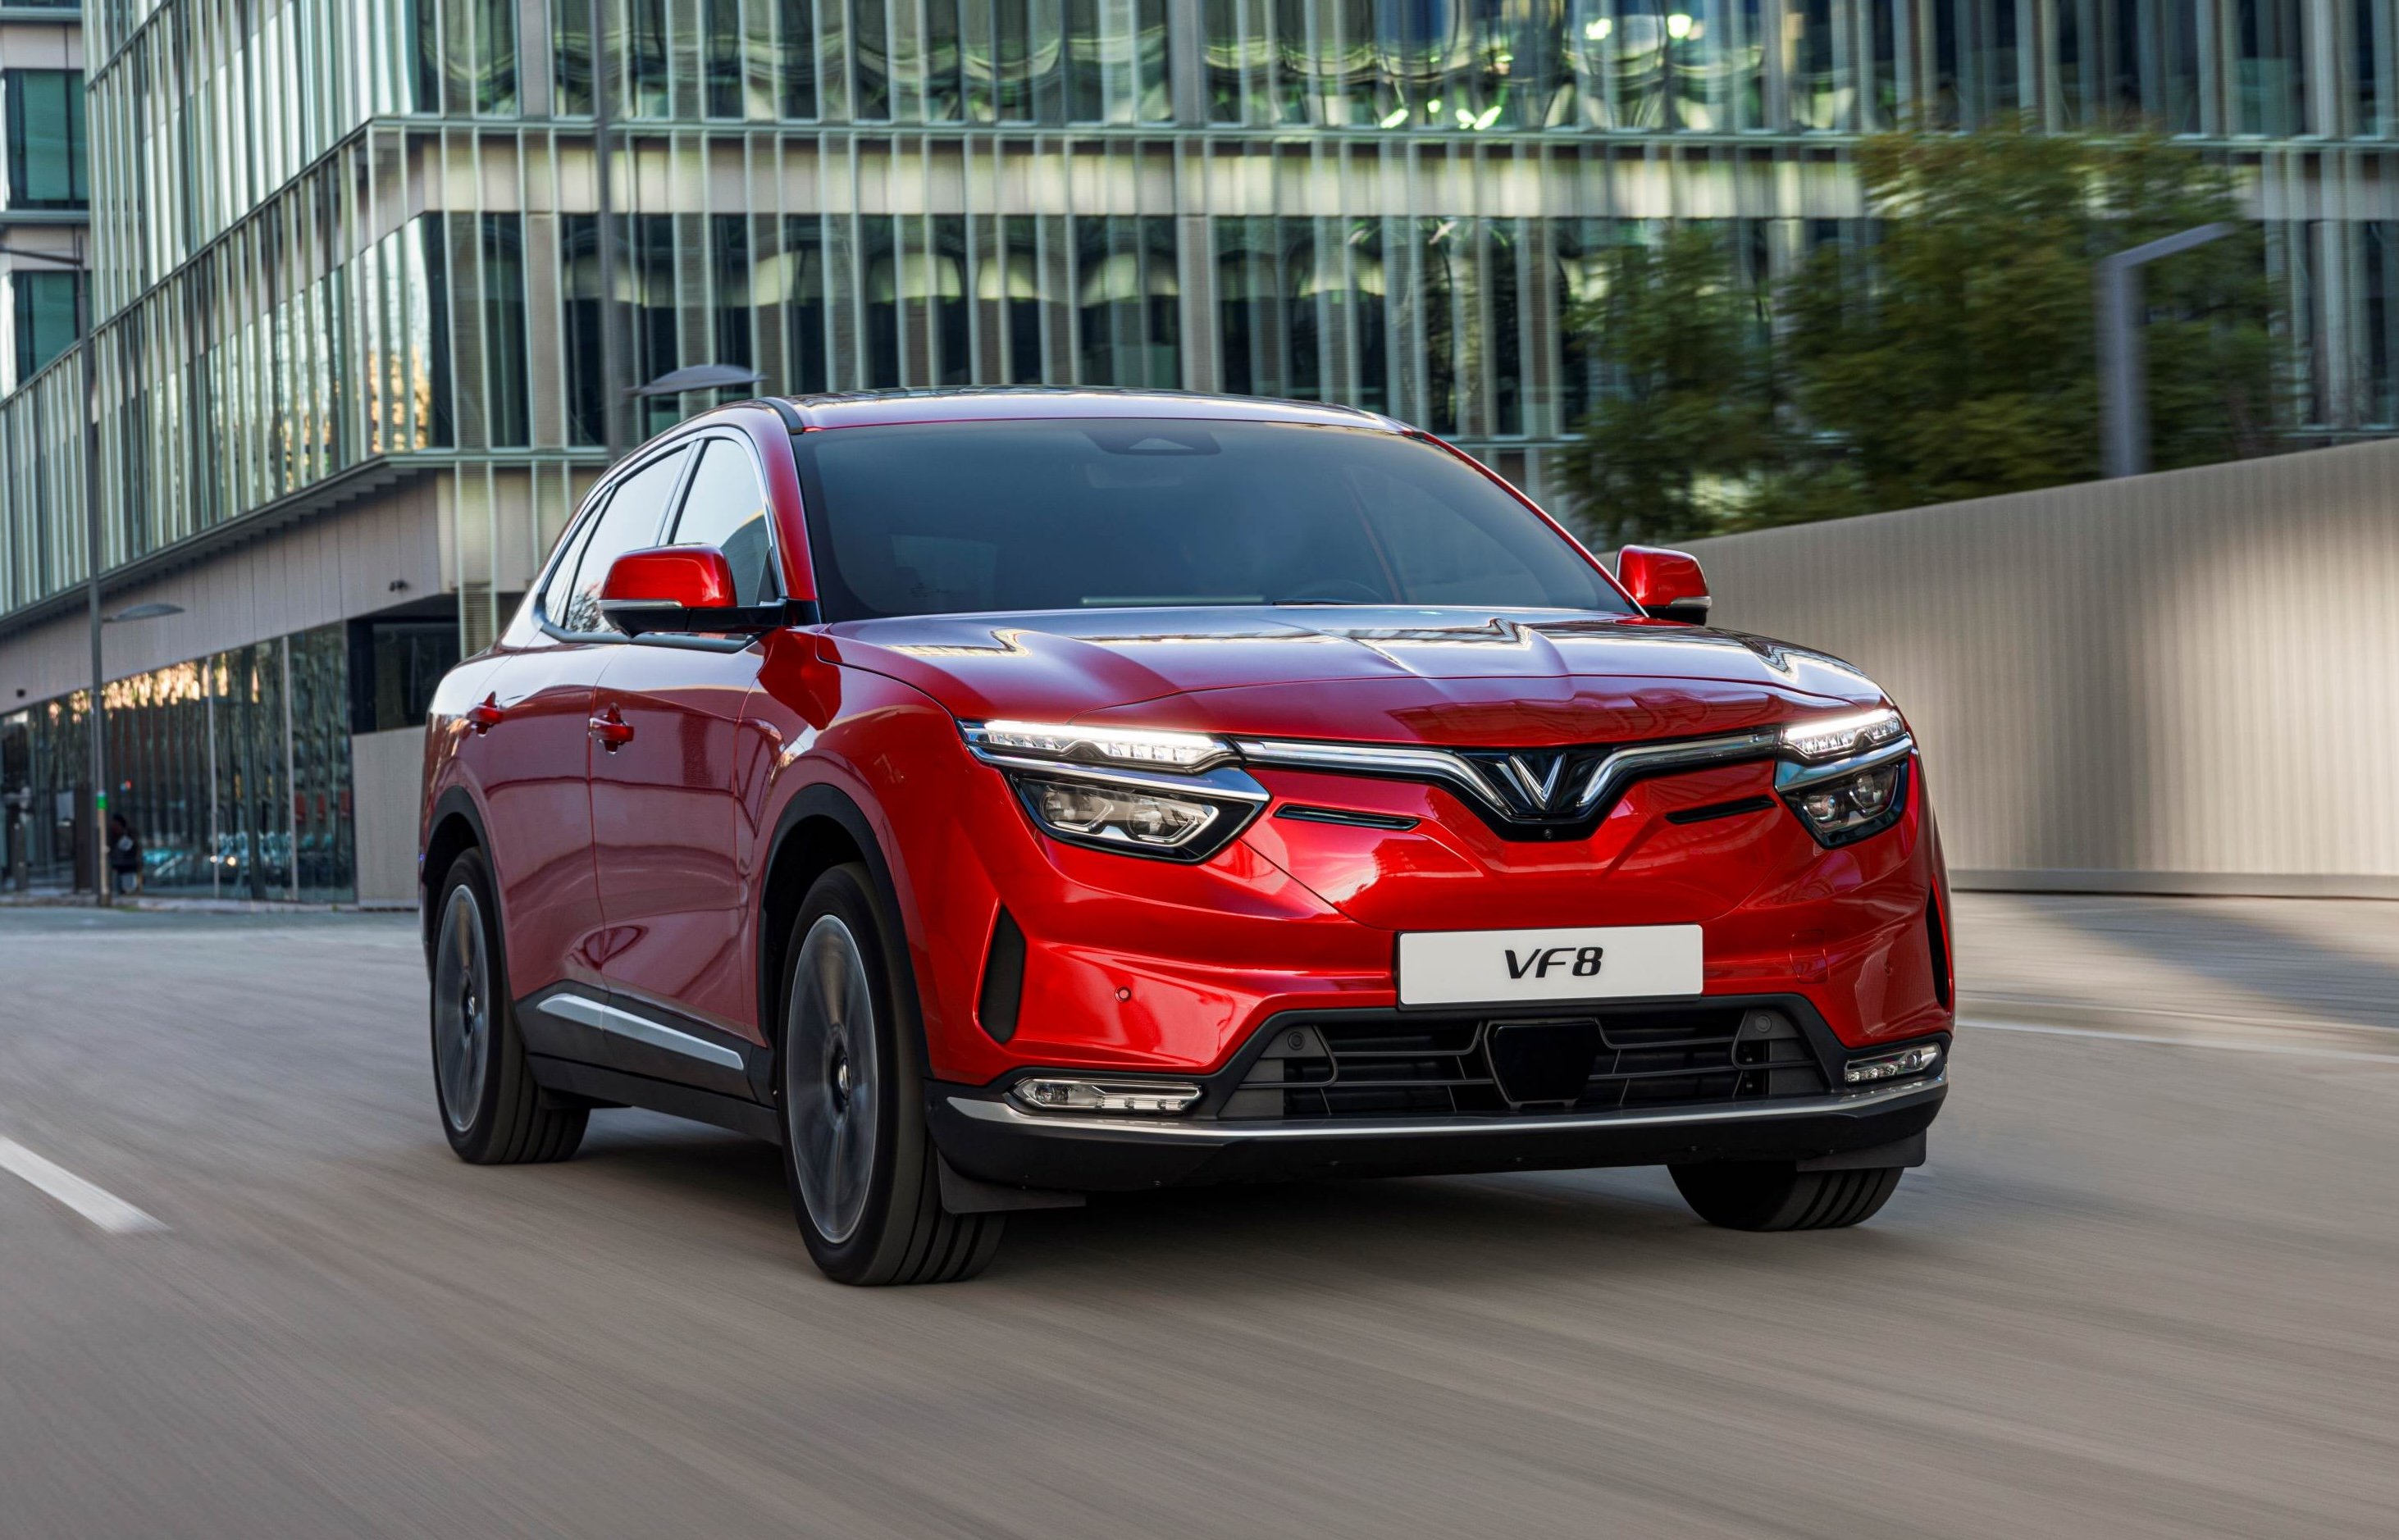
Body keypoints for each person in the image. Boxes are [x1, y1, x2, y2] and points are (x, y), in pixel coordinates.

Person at [107, 812, 142, 896]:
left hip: (129, 867)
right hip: (117, 867)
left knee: (129, 890)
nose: (113, 826)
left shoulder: (130, 834)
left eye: (115, 824)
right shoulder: (112, 836)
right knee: (119, 891)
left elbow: (136, 849)